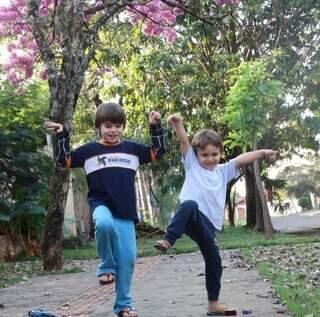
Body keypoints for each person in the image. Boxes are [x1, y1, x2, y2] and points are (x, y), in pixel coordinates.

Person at [44, 102, 166, 317]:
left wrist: (155, 126)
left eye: (118, 126)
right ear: (99, 126)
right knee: (103, 223)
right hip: (101, 204)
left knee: (128, 260)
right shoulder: (89, 151)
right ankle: (106, 266)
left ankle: (123, 306)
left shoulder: (132, 150)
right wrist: (62, 135)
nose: (113, 130)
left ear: (123, 127)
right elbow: (64, 161)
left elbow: (158, 152)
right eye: (108, 125)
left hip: (126, 211)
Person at [154, 113, 276, 316]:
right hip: (190, 217)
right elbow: (184, 141)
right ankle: (168, 239)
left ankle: (213, 304)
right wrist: (178, 125)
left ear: (220, 153)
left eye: (214, 155)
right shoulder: (191, 164)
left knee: (215, 261)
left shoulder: (223, 171)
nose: (210, 159)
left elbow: (242, 159)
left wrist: (263, 152)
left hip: (208, 226)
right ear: (196, 155)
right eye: (205, 155)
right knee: (190, 204)